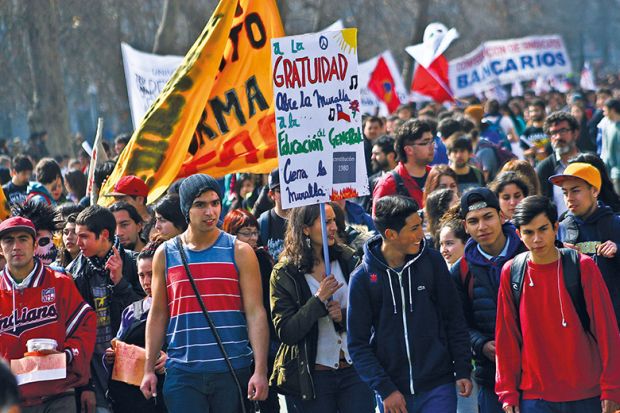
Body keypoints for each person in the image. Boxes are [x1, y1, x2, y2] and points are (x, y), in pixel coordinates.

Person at [140, 174, 269, 413]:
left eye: (215, 203)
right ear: (186, 209)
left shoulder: (240, 251)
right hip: (182, 374)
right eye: (200, 204)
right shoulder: (165, 254)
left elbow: (255, 313)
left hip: (231, 370)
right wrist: (148, 368)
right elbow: (158, 314)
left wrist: (260, 371)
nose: (210, 211)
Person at [348, 195, 472, 413]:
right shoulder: (362, 278)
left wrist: (462, 369)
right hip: (393, 395)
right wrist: (385, 389)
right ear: (391, 234)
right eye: (414, 228)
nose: (420, 234)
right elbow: (357, 344)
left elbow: (455, 319)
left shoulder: (433, 263)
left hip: (439, 386)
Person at [495, 195, 620, 413]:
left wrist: (612, 388)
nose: (537, 239)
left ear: (555, 227)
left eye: (543, 229)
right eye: (528, 232)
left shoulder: (583, 266)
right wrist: (508, 392)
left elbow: (606, 329)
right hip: (535, 397)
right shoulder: (511, 272)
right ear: (518, 234)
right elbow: (506, 337)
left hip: (587, 395)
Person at [270, 203, 375, 413]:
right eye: (326, 222)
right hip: (314, 378)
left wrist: (344, 317)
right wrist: (318, 301)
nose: (334, 227)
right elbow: (287, 331)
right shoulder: (285, 273)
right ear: (305, 228)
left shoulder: (349, 259)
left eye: (334, 220)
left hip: (354, 373)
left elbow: (371, 313)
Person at [0, 216, 96, 411]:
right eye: (9, 241)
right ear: (0, 248)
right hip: (12, 401)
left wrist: (67, 354)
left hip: (59, 396)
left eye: (23, 239)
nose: (16, 246)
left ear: (35, 245)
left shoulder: (60, 283)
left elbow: (85, 324)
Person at [450, 188, 527, 413]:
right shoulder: (461, 270)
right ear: (465, 226)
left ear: (502, 216)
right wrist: (481, 344)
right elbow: (458, 323)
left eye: (488, 217)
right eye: (473, 221)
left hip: (538, 371)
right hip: (491, 376)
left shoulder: (530, 251)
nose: (482, 227)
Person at [68, 205, 144, 412]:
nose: (77, 242)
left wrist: (119, 283)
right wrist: (85, 384)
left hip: (131, 364)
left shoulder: (134, 264)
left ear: (104, 235)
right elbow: (73, 332)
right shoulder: (73, 273)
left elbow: (147, 315)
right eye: (77, 235)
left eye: (84, 236)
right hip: (93, 368)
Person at [222, 208, 279, 413]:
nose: (252, 238)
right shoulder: (223, 262)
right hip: (233, 339)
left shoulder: (263, 259)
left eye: (254, 232)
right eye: (246, 232)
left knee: (267, 399)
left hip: (263, 336)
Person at [550, 162, 620, 327]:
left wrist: (618, 249)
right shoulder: (558, 229)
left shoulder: (616, 224)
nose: (569, 198)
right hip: (578, 324)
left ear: (595, 190)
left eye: (575, 190)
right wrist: (556, 254)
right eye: (565, 192)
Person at [104, 241, 168, 413]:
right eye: (141, 275)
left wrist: (170, 360)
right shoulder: (131, 311)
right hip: (130, 399)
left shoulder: (180, 307)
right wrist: (112, 355)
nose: (146, 282)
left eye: (152, 274)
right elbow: (117, 343)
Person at [373, 119, 435, 209]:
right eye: (425, 142)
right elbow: (378, 221)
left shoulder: (436, 176)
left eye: (432, 141)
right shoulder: (388, 184)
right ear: (409, 150)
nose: (432, 146)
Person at [535, 112, 581, 216]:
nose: (558, 137)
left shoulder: (590, 163)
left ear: (575, 133)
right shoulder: (544, 169)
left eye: (563, 131)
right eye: (553, 133)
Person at [258, 168, 289, 261]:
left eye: (290, 188)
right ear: (271, 194)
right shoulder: (263, 222)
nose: (287, 193)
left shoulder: (306, 219)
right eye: (280, 190)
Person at [602, 98, 620, 194]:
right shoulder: (609, 128)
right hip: (615, 174)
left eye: (605, 110)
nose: (604, 113)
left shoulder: (612, 129)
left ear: (612, 110)